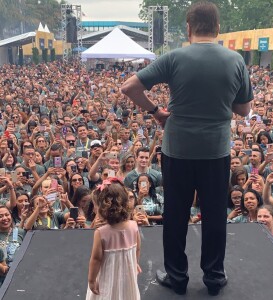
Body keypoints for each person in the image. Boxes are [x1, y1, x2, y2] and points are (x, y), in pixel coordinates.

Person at [121, 1, 252, 295]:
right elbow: (244, 109)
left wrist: (156, 111)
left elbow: (129, 87)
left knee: (177, 213)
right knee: (215, 214)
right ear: (218, 28)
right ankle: (214, 278)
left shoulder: (174, 58)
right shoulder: (235, 60)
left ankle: (177, 277)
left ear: (189, 28)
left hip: (177, 150)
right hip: (216, 151)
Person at [86, 182, 141, 299]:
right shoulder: (134, 226)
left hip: (108, 277)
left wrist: (91, 280)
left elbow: (96, 259)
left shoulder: (101, 233)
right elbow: (137, 249)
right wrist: (134, 263)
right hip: (127, 275)